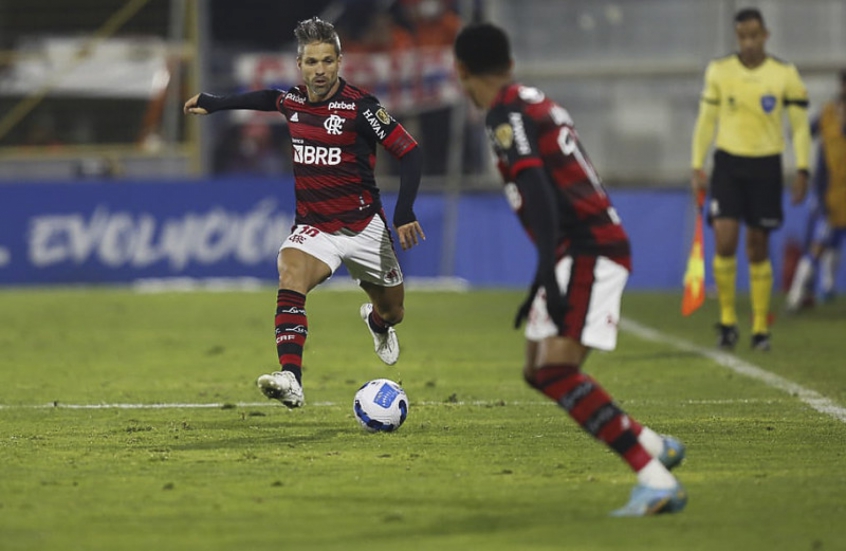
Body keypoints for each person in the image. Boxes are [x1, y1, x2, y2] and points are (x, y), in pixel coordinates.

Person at [453, 22, 687, 517]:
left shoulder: (503, 112)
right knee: (537, 369)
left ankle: (653, 476)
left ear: (461, 71)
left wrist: (543, 269)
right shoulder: (530, 100)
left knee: (556, 367)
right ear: (510, 65)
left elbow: (535, 185)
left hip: (585, 246)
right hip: (581, 244)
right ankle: (651, 444)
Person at [183, 16, 426, 408]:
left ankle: (377, 322)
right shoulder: (294, 102)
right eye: (312, 62)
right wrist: (216, 103)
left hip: (365, 228)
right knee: (290, 272)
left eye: (327, 61)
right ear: (300, 65)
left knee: (394, 310)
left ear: (340, 61)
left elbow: (410, 151)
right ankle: (291, 378)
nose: (320, 71)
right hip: (315, 229)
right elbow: (266, 98)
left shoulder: (360, 108)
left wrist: (404, 212)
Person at [690, 7, 811, 351]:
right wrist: (697, 165)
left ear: (765, 35)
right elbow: (706, 120)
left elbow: (800, 127)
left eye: (754, 35)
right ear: (737, 37)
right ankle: (728, 321)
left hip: (766, 167)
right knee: (725, 240)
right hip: (728, 164)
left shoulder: (784, 74)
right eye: (743, 36)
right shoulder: (720, 71)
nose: (749, 42)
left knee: (757, 246)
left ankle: (760, 328)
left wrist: (803, 168)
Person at [786, 69, 846, 311]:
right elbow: (803, 133)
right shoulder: (828, 114)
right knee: (818, 244)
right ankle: (796, 295)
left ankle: (828, 288)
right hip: (827, 193)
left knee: (834, 242)